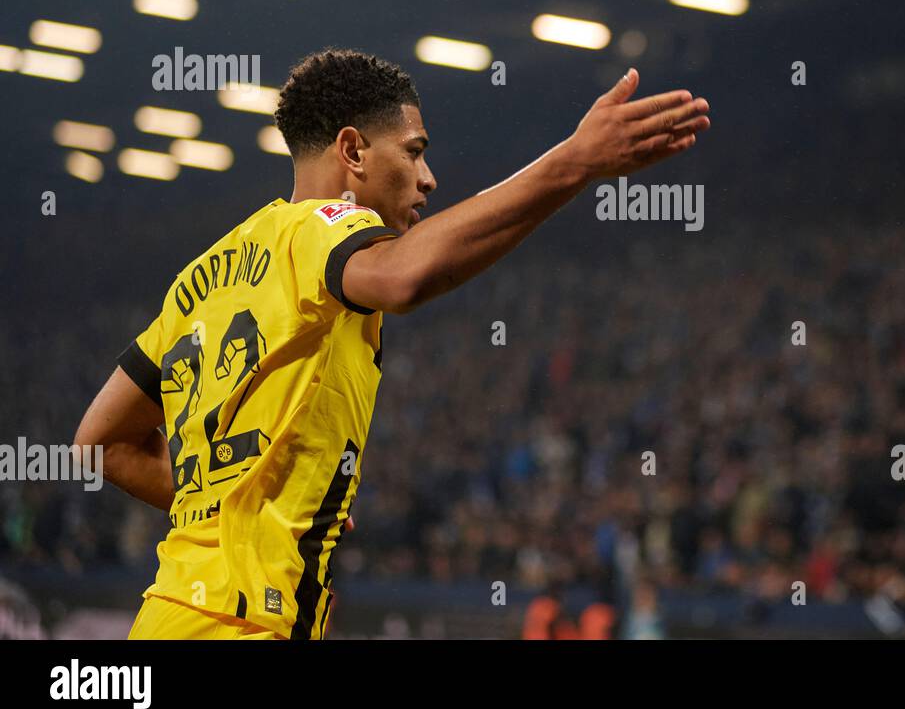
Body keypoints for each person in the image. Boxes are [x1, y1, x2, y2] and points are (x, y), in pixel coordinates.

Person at [73, 48, 710, 639]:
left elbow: (98, 442)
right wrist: (573, 163)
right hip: (244, 622)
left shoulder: (201, 277)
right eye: (413, 152)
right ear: (353, 150)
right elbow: (403, 277)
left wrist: (243, 499)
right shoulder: (321, 231)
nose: (428, 178)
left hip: (167, 616)